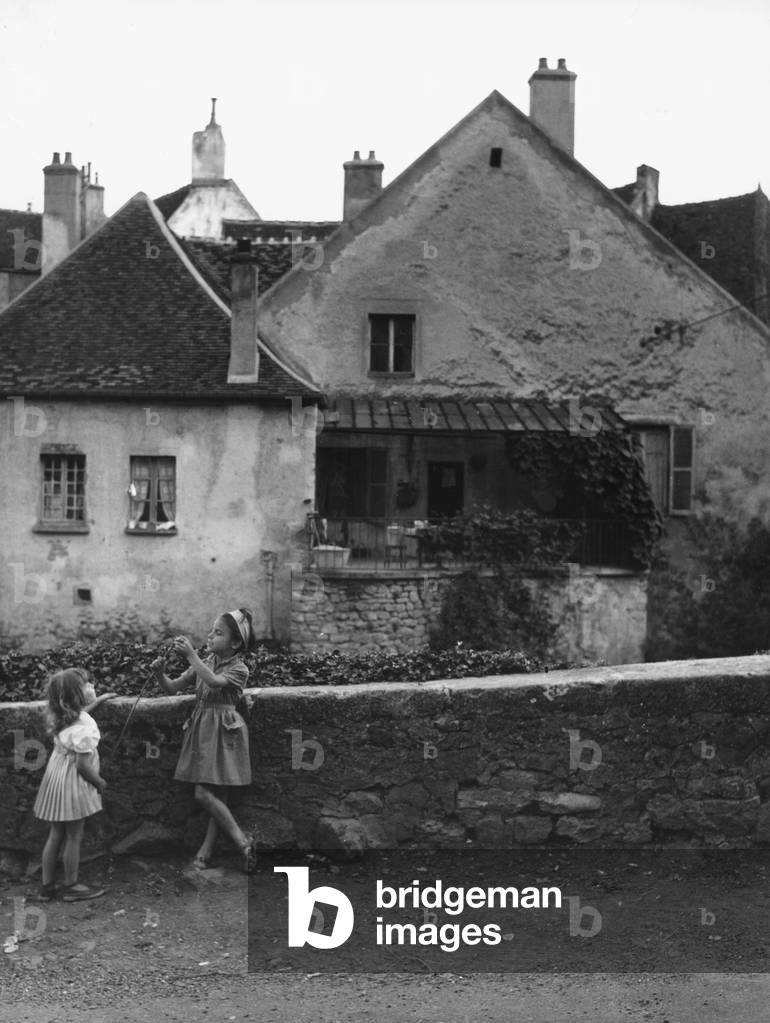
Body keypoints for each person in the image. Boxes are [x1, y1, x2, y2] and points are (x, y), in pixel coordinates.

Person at [151, 608, 257, 873]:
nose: (210, 636)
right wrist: (160, 674)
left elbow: (213, 681)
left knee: (206, 793)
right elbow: (172, 688)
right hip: (204, 730)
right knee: (215, 795)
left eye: (218, 633)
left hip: (225, 732)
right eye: (211, 630)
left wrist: (190, 655)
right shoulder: (206, 660)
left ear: (235, 643)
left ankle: (242, 843)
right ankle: (207, 852)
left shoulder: (239, 669)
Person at [33, 668, 117, 902]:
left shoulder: (61, 715)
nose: (91, 687)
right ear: (75, 696)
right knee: (74, 836)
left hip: (56, 776)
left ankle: (47, 887)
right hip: (73, 782)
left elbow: (80, 714)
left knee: (55, 834)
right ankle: (71, 885)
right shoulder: (85, 728)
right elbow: (82, 766)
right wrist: (99, 782)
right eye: (86, 685)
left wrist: (99, 700)